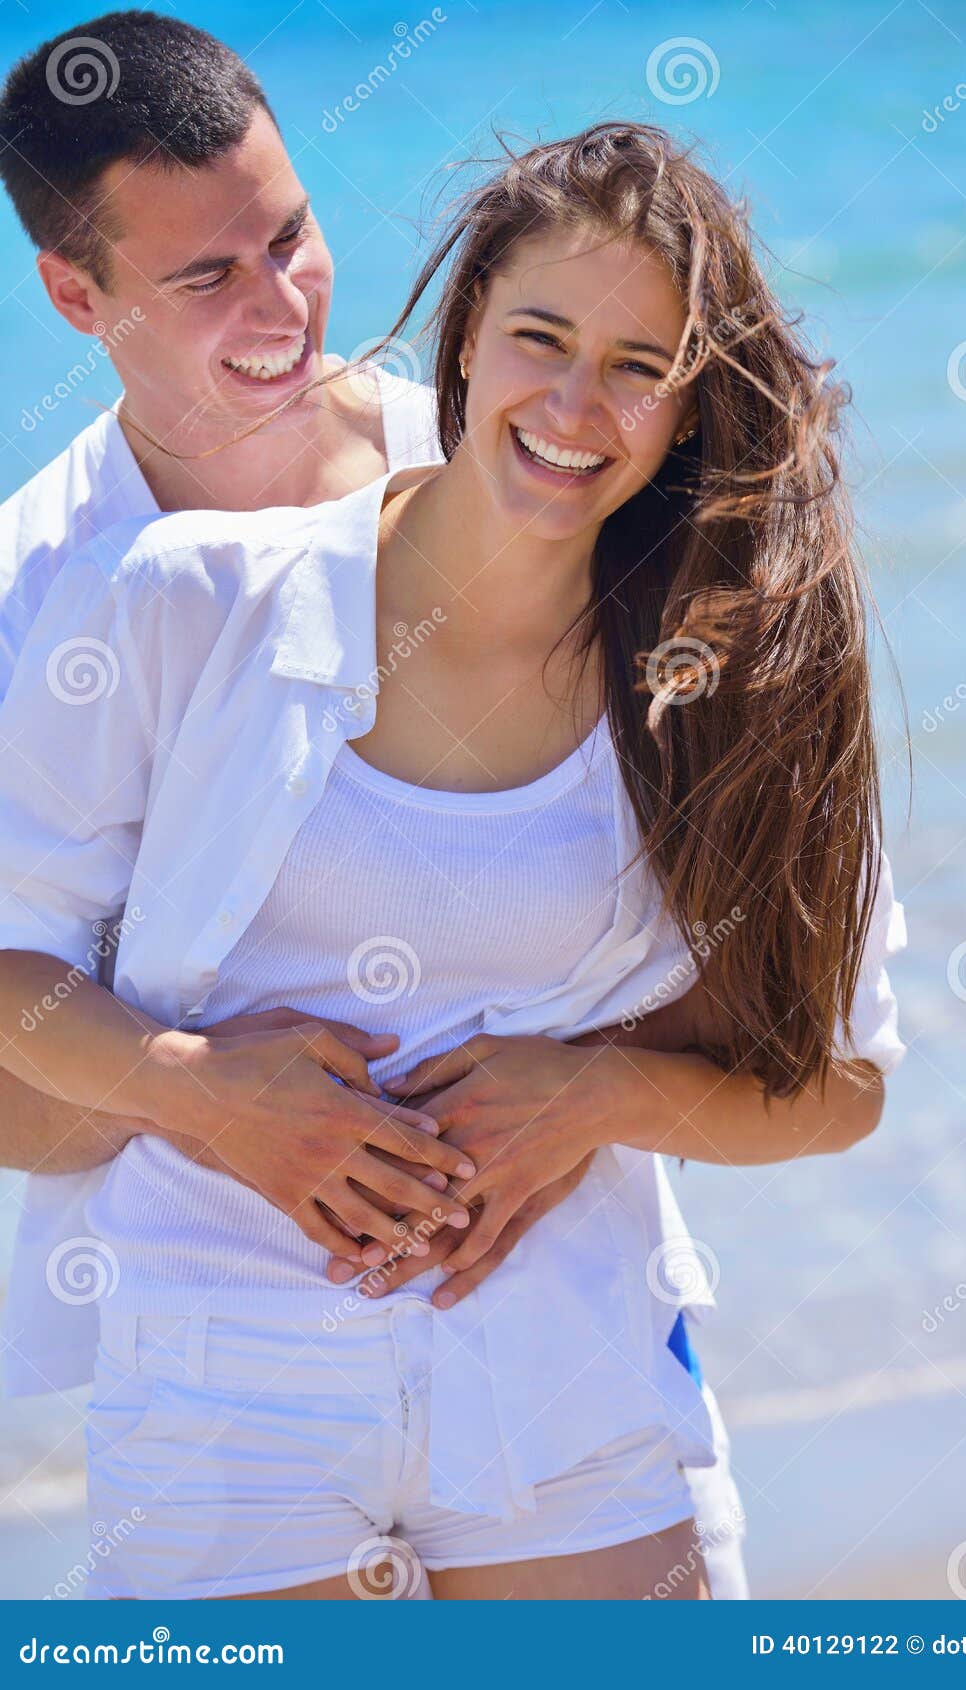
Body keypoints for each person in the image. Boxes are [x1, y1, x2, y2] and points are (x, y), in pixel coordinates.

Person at [0, 115, 906, 1599]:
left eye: (640, 367)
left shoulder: (732, 678)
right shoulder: (168, 599)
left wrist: (605, 1087)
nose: (575, 402)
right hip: (227, 1385)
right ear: (466, 335)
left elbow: (844, 1078)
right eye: (542, 336)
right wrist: (205, 1092)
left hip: (571, 1373)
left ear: (690, 409)